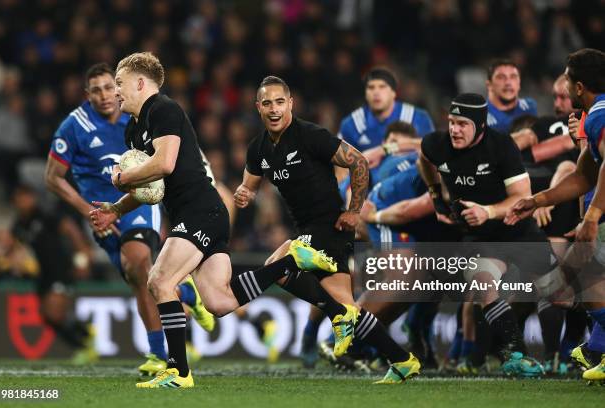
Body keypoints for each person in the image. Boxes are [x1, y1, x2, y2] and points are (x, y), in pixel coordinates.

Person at [90, 53, 342, 388]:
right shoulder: (134, 132)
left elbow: (165, 163)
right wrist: (117, 208)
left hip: (201, 210)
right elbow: (149, 188)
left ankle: (178, 371)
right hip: (198, 214)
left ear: (140, 83)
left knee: (159, 282)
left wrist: (124, 176)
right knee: (219, 302)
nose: (116, 92)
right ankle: (289, 262)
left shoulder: (163, 109)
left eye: (119, 83)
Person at [234, 75, 420, 384]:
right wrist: (245, 194)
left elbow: (359, 162)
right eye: (267, 103)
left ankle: (335, 316)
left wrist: (353, 211)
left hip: (330, 225)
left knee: (277, 266)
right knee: (349, 308)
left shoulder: (310, 135)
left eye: (280, 102)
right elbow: (248, 186)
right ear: (258, 107)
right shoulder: (258, 149)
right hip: (306, 228)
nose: (274, 109)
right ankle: (402, 360)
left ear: (290, 103)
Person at [45, 62, 214, 376]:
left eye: (110, 87)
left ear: (118, 87)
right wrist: (90, 213)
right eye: (96, 90)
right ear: (87, 95)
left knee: (138, 265)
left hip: (138, 203)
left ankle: (157, 355)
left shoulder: (136, 117)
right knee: (140, 278)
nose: (105, 95)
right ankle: (188, 294)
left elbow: (168, 153)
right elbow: (52, 178)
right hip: (100, 216)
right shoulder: (74, 125)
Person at [419, 92, 555, 377]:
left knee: (564, 295)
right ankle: (516, 354)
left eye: (462, 124)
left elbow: (522, 197)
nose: (455, 130)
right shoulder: (436, 144)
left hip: (518, 231)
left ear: (480, 126)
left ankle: (587, 350)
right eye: (452, 122)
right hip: (481, 238)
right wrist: (435, 196)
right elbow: (424, 160)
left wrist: (487, 211)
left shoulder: (502, 146)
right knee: (482, 282)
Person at [507, 48, 605, 383]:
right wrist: (536, 201)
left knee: (581, 274)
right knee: (580, 277)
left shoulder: (598, 115)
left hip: (600, 215)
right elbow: (583, 176)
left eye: (566, 78)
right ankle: (597, 347)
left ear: (579, 87)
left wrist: (591, 216)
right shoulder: (595, 115)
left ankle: (596, 346)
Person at [10, 184, 97, 363]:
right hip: (43, 274)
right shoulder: (20, 223)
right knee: (46, 316)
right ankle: (83, 336)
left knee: (54, 313)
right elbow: (15, 245)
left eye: (26, 197)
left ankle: (85, 339)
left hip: (61, 269)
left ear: (32, 198)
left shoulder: (45, 215)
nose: (23, 201)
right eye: (19, 198)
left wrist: (82, 256)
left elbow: (71, 229)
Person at [486, 59, 537, 134]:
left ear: (519, 83)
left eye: (513, 77)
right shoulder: (481, 116)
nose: (508, 82)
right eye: (501, 77)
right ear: (489, 85)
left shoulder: (530, 106)